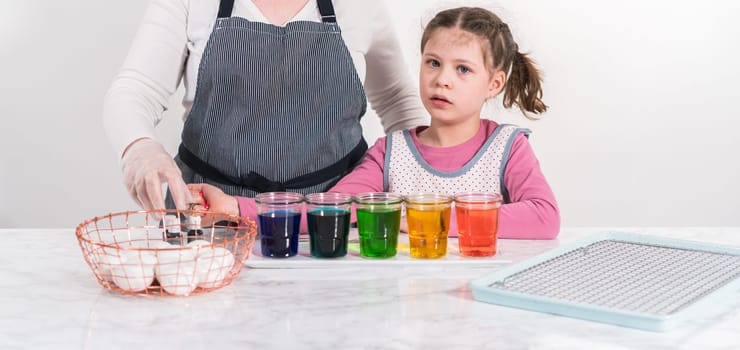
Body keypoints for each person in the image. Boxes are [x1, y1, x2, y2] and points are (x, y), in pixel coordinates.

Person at [190, 6, 560, 239]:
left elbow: (544, 218)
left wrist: (428, 219)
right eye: (433, 63)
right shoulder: (389, 153)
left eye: (463, 69)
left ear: (494, 83)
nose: (442, 79)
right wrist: (235, 208)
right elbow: (331, 208)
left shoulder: (509, 148)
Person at [103, 0, 428, 212]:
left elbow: (398, 100)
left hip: (333, 215)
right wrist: (139, 146)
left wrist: (421, 176)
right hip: (207, 213)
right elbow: (135, 90)